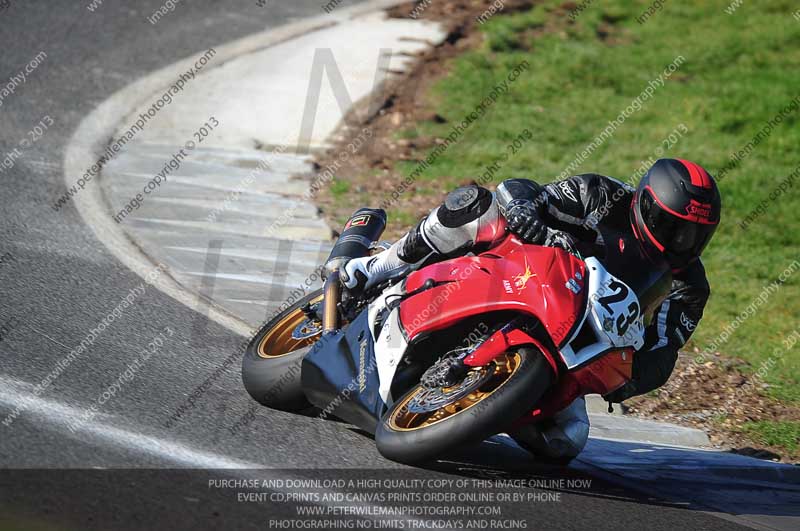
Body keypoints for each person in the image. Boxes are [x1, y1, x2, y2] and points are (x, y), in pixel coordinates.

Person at [341, 158, 721, 459]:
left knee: (565, 442)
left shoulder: (690, 287)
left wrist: (630, 377)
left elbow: (665, 349)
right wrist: (525, 210)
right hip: (519, 275)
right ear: (646, 204)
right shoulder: (601, 194)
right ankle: (377, 269)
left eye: (695, 235)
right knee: (479, 207)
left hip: (575, 351)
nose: (682, 242)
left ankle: (487, 406)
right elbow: (521, 190)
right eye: (672, 227)